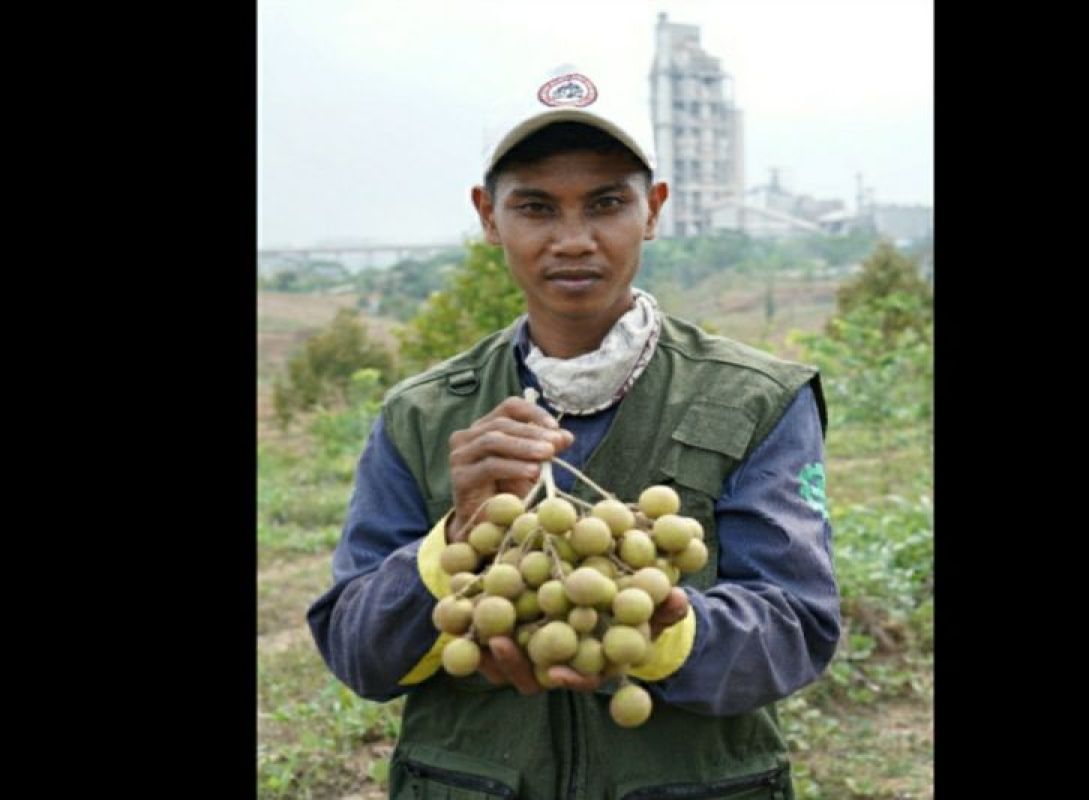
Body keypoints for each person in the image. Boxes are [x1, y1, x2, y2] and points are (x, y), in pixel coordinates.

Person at [307, 66, 841, 800]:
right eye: (535, 206)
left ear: (652, 210)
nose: (573, 239)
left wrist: (658, 635)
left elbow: (797, 628)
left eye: (606, 203)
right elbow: (359, 655)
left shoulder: (757, 398)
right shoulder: (421, 414)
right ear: (488, 217)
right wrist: (452, 538)